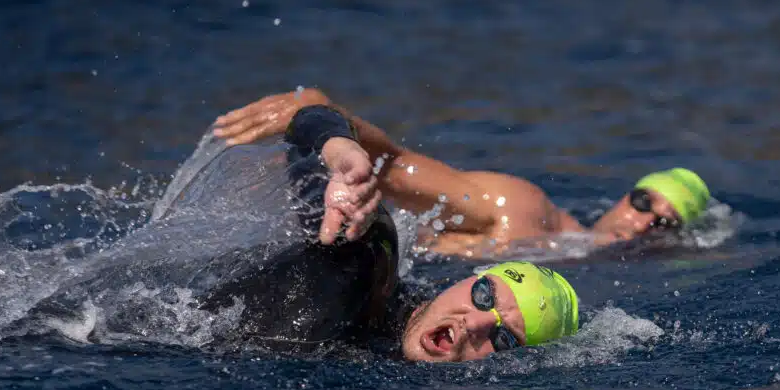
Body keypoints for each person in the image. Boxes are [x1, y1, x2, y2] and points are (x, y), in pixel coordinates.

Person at [145, 103, 580, 362]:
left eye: (504, 340)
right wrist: (341, 150)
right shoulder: (363, 258)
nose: (475, 322)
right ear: (466, 279)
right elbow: (309, 121)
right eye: (485, 296)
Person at [212, 88, 714, 258]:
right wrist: (324, 117)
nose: (644, 222)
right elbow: (394, 164)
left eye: (665, 224)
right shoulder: (521, 209)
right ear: (627, 196)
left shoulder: (576, 262)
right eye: (646, 202)